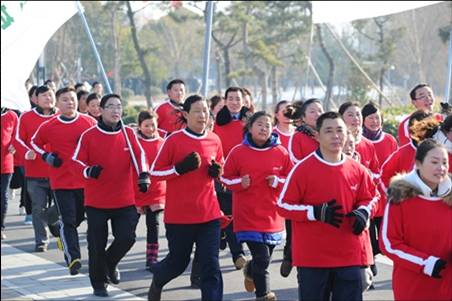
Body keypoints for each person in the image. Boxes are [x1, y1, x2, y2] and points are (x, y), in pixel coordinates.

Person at [277, 111, 378, 301]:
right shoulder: (302, 169)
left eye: (340, 130)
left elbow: (372, 197)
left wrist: (364, 211)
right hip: (313, 257)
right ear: (318, 135)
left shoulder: (358, 169)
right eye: (329, 131)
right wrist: (313, 212)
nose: (335, 136)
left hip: (349, 254)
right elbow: (282, 205)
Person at [72, 93, 149, 297]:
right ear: (101, 110)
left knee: (127, 237)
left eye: (119, 106)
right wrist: (88, 171)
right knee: (96, 243)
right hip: (96, 201)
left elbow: (140, 156)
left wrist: (144, 175)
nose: (116, 110)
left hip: (124, 199)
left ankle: (109, 262)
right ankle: (99, 282)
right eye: (111, 106)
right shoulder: (89, 135)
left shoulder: (129, 134)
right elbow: (75, 162)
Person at [148, 95, 224, 301]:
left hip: (209, 214)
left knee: (211, 264)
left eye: (206, 111)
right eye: (197, 111)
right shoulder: (173, 140)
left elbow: (221, 167)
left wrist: (217, 172)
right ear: (185, 114)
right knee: (178, 263)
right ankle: (158, 280)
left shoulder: (214, 139)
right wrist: (179, 169)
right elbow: (155, 172)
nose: (202, 115)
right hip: (180, 216)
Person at [221, 111, 293, 300]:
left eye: (268, 125)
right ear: (250, 127)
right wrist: (239, 183)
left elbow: (292, 180)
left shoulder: (281, 152)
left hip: (272, 216)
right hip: (247, 215)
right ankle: (264, 295)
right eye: (259, 124)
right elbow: (225, 178)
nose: (264, 128)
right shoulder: (238, 152)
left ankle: (250, 270)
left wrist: (277, 181)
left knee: (263, 260)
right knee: (261, 258)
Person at [31, 87, 97, 275]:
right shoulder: (49, 125)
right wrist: (46, 156)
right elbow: (35, 142)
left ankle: (56, 224)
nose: (70, 102)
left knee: (80, 220)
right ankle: (73, 258)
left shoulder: (89, 122)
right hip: (61, 182)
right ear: (57, 104)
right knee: (69, 221)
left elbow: (100, 142)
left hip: (85, 182)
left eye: (73, 99)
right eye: (65, 100)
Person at [380, 138, 451, 300]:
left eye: (445, 163)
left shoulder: (450, 198)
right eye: (434, 162)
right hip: (413, 286)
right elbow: (389, 244)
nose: (441, 168)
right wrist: (425, 263)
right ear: (418, 163)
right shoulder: (400, 198)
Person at [15, 85, 57, 252]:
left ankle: (53, 222)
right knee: (38, 207)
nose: (48, 98)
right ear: (35, 99)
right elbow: (17, 140)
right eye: (44, 95)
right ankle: (41, 241)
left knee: (62, 207)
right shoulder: (26, 117)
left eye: (51, 95)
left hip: (58, 174)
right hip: (35, 173)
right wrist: (27, 152)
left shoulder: (61, 117)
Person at [213, 87, 250, 270]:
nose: (235, 102)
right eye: (231, 98)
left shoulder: (250, 122)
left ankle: (226, 237)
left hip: (246, 175)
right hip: (223, 176)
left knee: (243, 214)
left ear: (244, 101)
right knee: (229, 215)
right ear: (225, 101)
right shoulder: (217, 123)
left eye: (238, 98)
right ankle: (238, 254)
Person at [361, 101, 398, 276]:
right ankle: (369, 263)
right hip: (367, 195)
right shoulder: (358, 141)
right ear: (363, 120)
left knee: (385, 233)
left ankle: (375, 255)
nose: (375, 121)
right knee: (369, 235)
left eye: (377, 117)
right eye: (370, 118)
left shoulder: (390, 139)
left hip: (386, 195)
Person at [134, 111, 166, 270]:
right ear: (139, 126)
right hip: (136, 190)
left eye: (153, 125)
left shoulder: (163, 143)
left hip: (157, 191)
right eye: (146, 125)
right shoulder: (134, 143)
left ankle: (152, 258)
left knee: (153, 225)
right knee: (129, 227)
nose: (150, 128)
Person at [381, 111, 438, 190]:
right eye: (422, 128)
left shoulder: (442, 151)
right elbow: (384, 175)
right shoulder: (402, 153)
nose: (427, 132)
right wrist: (394, 195)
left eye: (430, 128)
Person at [288, 98, 324, 163]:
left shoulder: (329, 134)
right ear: (303, 117)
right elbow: (296, 162)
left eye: (320, 111)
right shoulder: (297, 136)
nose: (318, 114)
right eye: (312, 112)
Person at [1, 107, 18, 240]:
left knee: (2, 196)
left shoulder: (12, 115)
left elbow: (17, 135)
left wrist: (14, 144)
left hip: (5, 162)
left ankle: (1, 226)